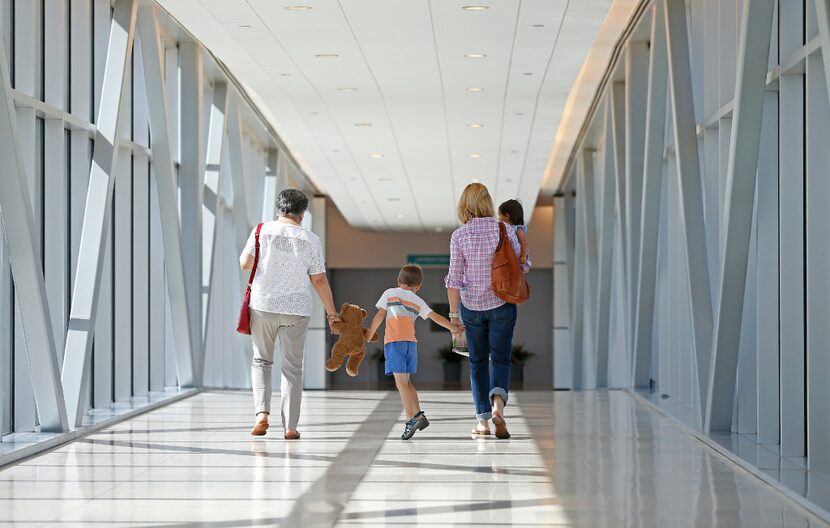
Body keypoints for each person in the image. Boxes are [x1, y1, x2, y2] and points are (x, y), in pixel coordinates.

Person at [239, 189, 340, 440]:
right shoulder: (311, 239)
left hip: (263, 305)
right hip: (296, 309)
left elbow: (245, 263)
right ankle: (290, 427)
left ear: (279, 209)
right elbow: (318, 279)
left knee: (262, 361)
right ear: (302, 213)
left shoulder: (262, 231)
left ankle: (262, 413)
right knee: (293, 368)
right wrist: (332, 313)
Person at [444, 183, 529, 440]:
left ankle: (482, 422)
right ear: (488, 203)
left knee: (477, 362)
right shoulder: (504, 229)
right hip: (502, 303)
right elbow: (523, 265)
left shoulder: (459, 236)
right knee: (501, 359)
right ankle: (498, 407)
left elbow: (454, 279)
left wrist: (454, 316)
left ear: (464, 205)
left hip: (471, 308)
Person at [365, 264, 463, 440]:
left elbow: (379, 315)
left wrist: (369, 335)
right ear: (419, 286)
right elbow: (435, 317)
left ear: (398, 281)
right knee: (407, 382)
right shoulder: (417, 300)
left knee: (401, 384)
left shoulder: (389, 293)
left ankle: (410, 419)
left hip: (394, 342)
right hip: (411, 344)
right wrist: (453, 328)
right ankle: (418, 414)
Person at [498, 199, 529, 267]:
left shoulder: (518, 229)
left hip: (519, 257)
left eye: (499, 214)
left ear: (507, 216)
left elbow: (524, 243)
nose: (498, 218)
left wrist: (523, 256)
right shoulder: (504, 228)